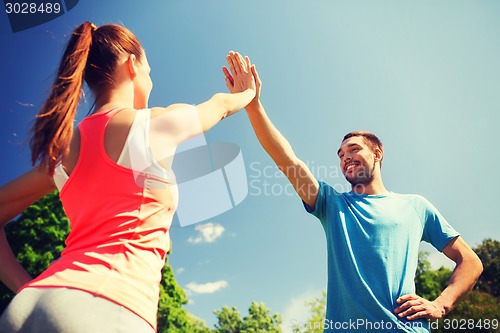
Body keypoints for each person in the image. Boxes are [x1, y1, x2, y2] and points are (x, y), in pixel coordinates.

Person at [0, 22, 255, 332]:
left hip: (27, 307)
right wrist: (248, 93)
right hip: (105, 308)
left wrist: (27, 287)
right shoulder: (153, 124)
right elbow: (219, 106)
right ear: (132, 65)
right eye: (149, 71)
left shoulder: (63, 154)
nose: (150, 81)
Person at [222, 56, 483, 332]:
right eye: (341, 154)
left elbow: (470, 261)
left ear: (377, 154)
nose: (346, 157)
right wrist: (253, 107)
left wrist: (441, 304)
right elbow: (289, 161)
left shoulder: (415, 206)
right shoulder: (331, 204)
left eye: (354, 149)